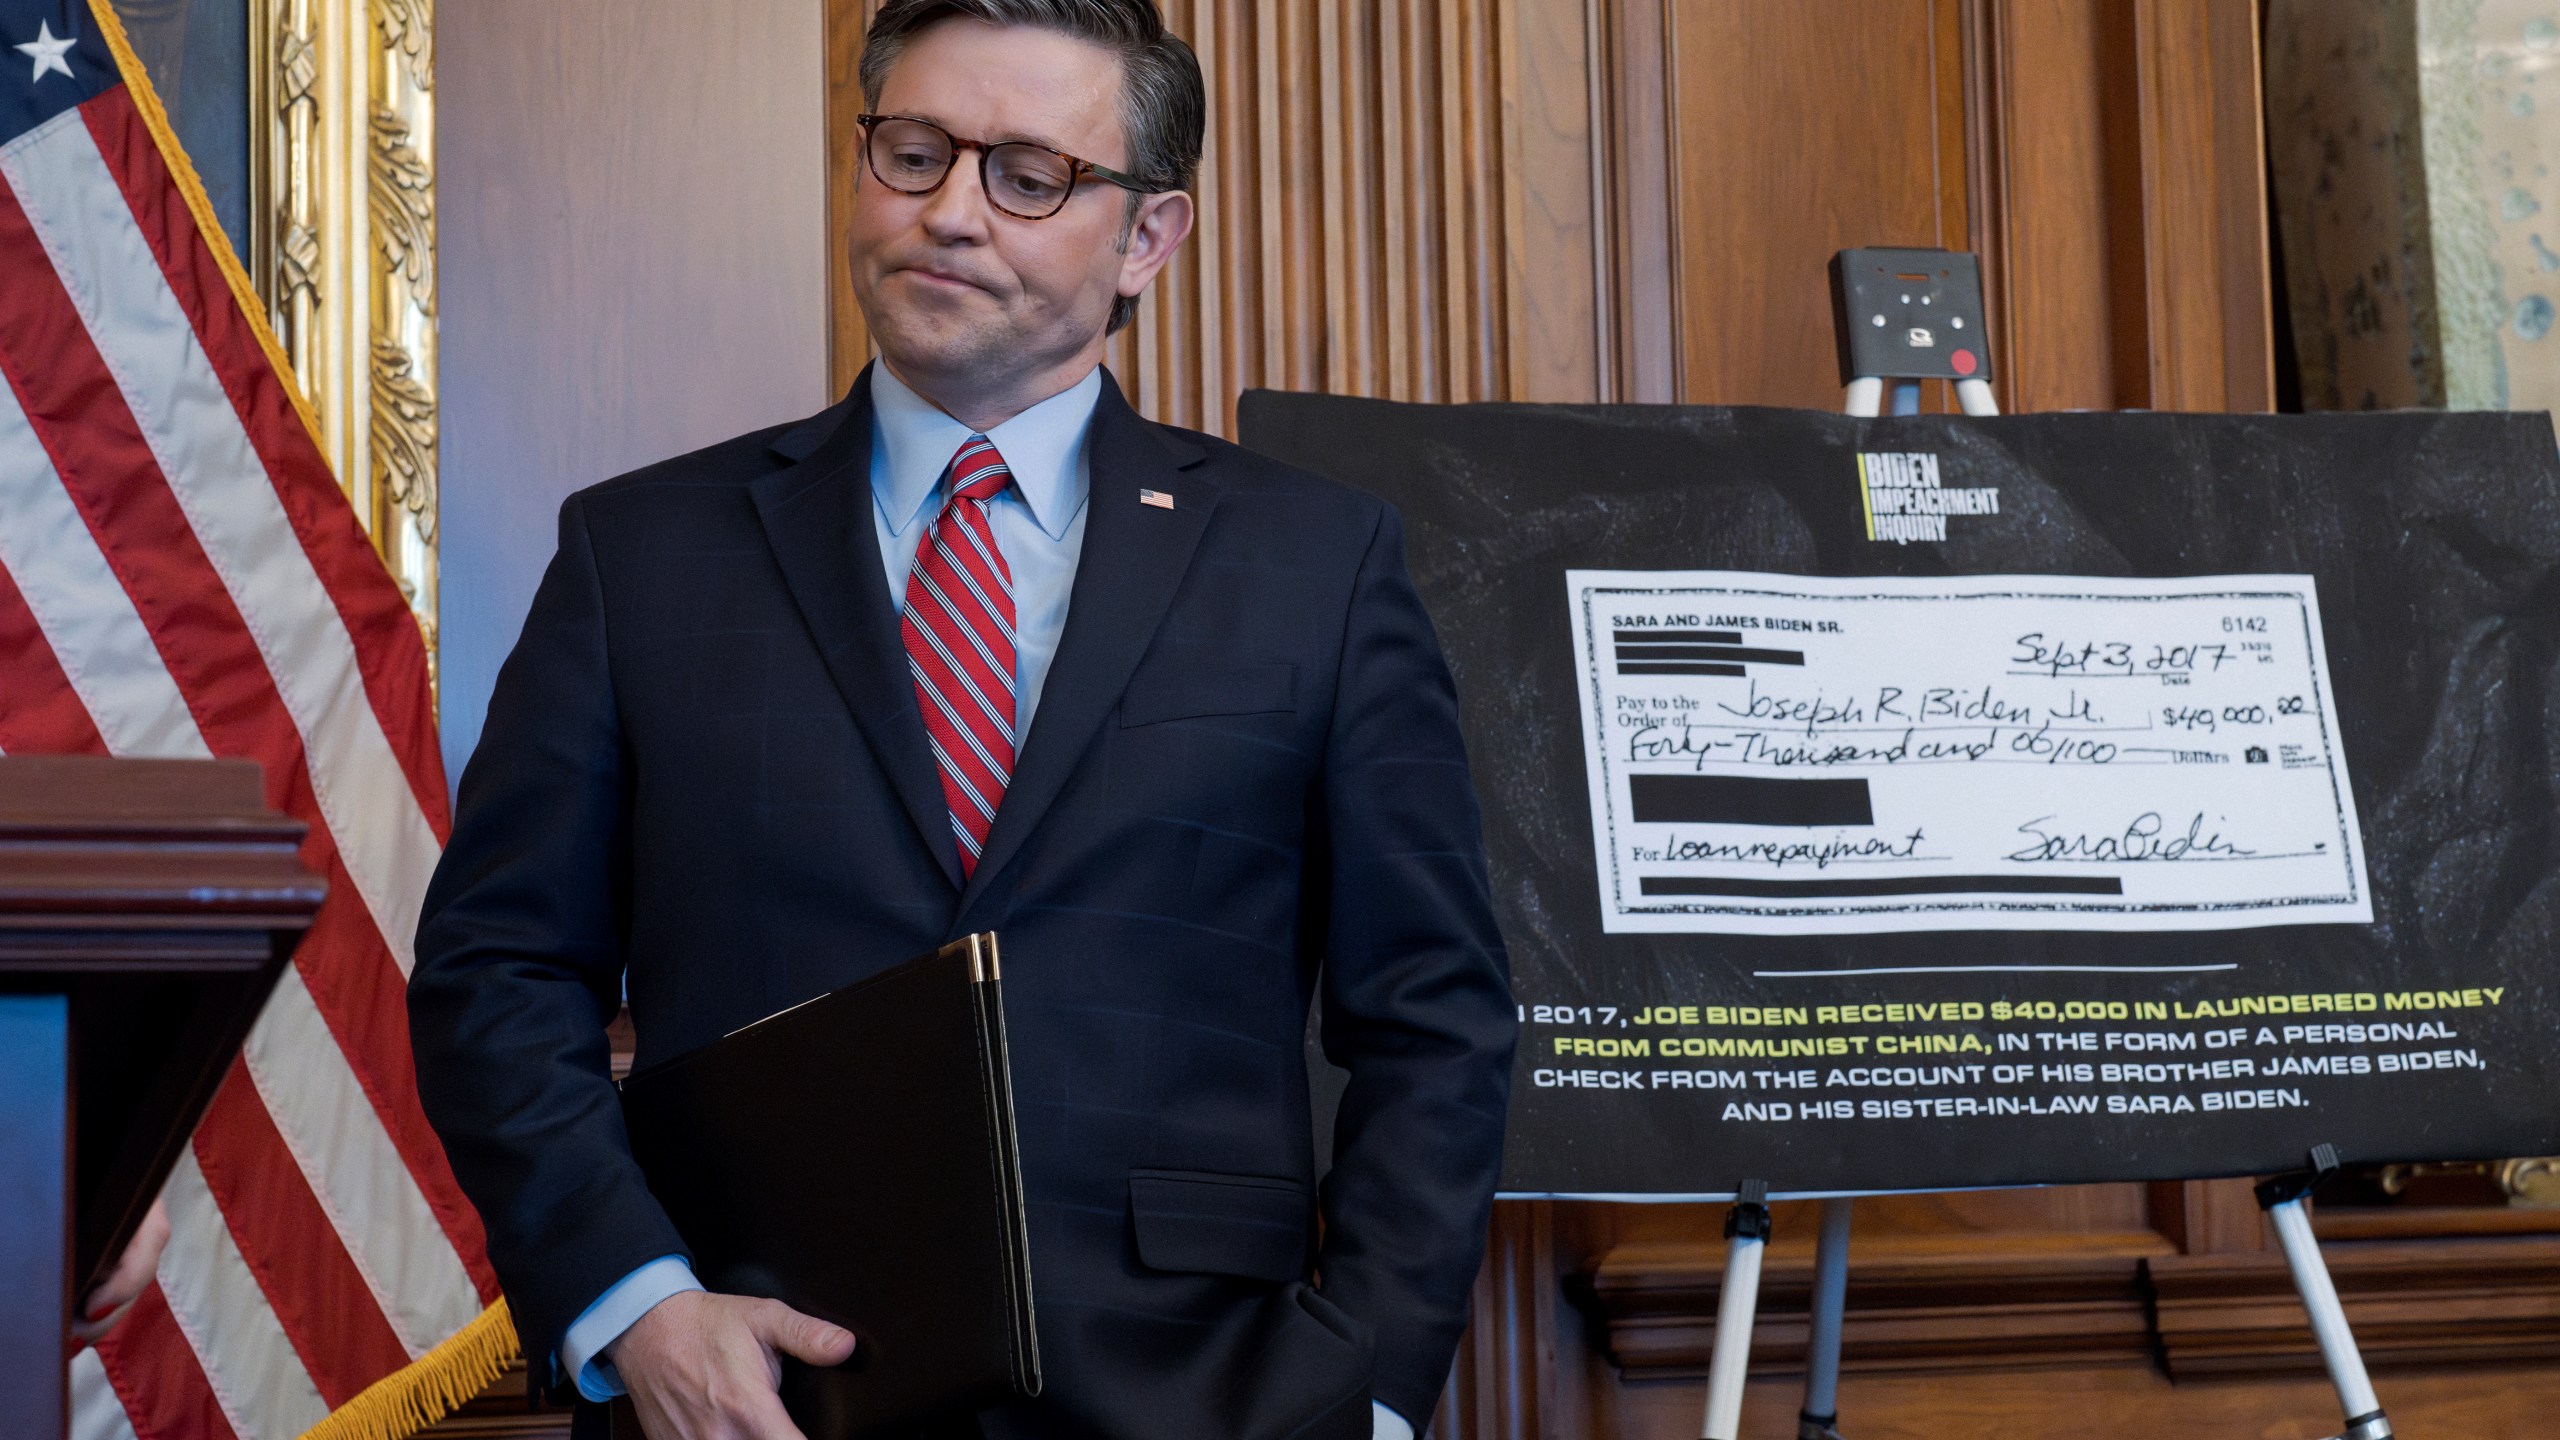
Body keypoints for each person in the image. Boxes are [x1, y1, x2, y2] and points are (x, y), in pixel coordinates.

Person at [407, 2, 1516, 1436]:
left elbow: (1436, 1018)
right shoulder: (643, 554)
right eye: (913, 151)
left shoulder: (1318, 563)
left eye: (1027, 175)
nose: (948, 214)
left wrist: (1360, 1393)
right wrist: (639, 1303)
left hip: (1209, 1393)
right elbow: (497, 968)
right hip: (757, 1393)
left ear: (1149, 238)